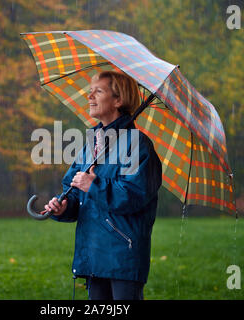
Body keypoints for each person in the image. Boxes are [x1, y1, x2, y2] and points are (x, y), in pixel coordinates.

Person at [44, 71, 162, 300]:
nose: (89, 96)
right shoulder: (92, 143)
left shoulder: (136, 145)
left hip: (122, 254)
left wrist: (94, 185)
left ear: (118, 100)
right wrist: (64, 207)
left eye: (98, 91)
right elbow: (76, 192)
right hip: (93, 252)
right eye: (90, 90)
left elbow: (134, 195)